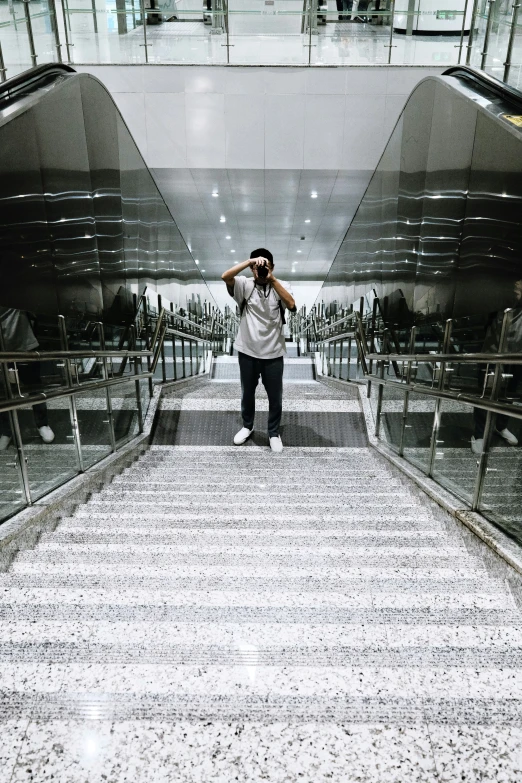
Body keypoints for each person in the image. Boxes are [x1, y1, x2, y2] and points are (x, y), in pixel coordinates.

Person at [222, 249, 296, 453]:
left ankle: (273, 433)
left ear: (272, 267)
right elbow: (225, 276)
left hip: (273, 353)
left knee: (275, 396)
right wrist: (249, 262)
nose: (260, 270)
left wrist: (271, 279)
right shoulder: (244, 284)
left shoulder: (281, 285)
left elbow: (291, 304)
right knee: (247, 393)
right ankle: (247, 426)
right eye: (257, 267)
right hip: (247, 351)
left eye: (265, 266)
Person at [471, 279, 522, 455]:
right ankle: (479, 434)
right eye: (515, 285)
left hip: (516, 356)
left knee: (508, 395)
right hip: (492, 354)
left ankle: (501, 426)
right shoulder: (496, 303)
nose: (517, 288)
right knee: (485, 393)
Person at [0, 307, 55, 450]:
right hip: (4, 348)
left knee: (34, 387)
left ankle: (42, 424)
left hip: (25, 345)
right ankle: (7, 431)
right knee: (3, 392)